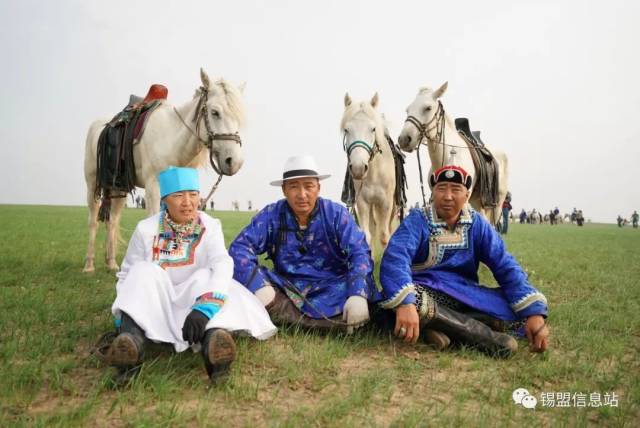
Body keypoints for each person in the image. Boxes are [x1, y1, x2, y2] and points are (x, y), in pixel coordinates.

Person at [108, 167, 276, 384]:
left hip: (198, 300)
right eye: (178, 196)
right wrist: (125, 312)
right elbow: (127, 274)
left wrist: (205, 308)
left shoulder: (210, 226)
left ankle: (214, 347)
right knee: (142, 271)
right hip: (158, 302)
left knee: (209, 275)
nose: (187, 202)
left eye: (193, 195)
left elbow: (222, 263)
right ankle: (131, 343)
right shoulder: (146, 229)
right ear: (165, 200)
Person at [379, 160, 549, 357]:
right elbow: (395, 259)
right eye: (441, 188)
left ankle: (439, 327)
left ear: (467, 195)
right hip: (426, 289)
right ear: (433, 192)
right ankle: (489, 340)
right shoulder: (417, 220)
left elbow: (504, 264)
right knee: (407, 299)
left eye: (456, 189)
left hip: (464, 294)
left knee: (522, 313)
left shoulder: (477, 224)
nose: (448, 196)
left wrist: (534, 311)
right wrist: (406, 303)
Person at [229, 155, 380, 333]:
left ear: (318, 188)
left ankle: (284, 318)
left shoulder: (336, 214)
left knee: (363, 292)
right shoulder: (272, 214)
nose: (302, 194)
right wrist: (259, 286)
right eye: (294, 187)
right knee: (244, 280)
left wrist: (357, 294)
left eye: (308, 186)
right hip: (287, 289)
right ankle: (336, 324)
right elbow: (239, 248)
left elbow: (359, 253)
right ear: (284, 190)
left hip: (333, 287)